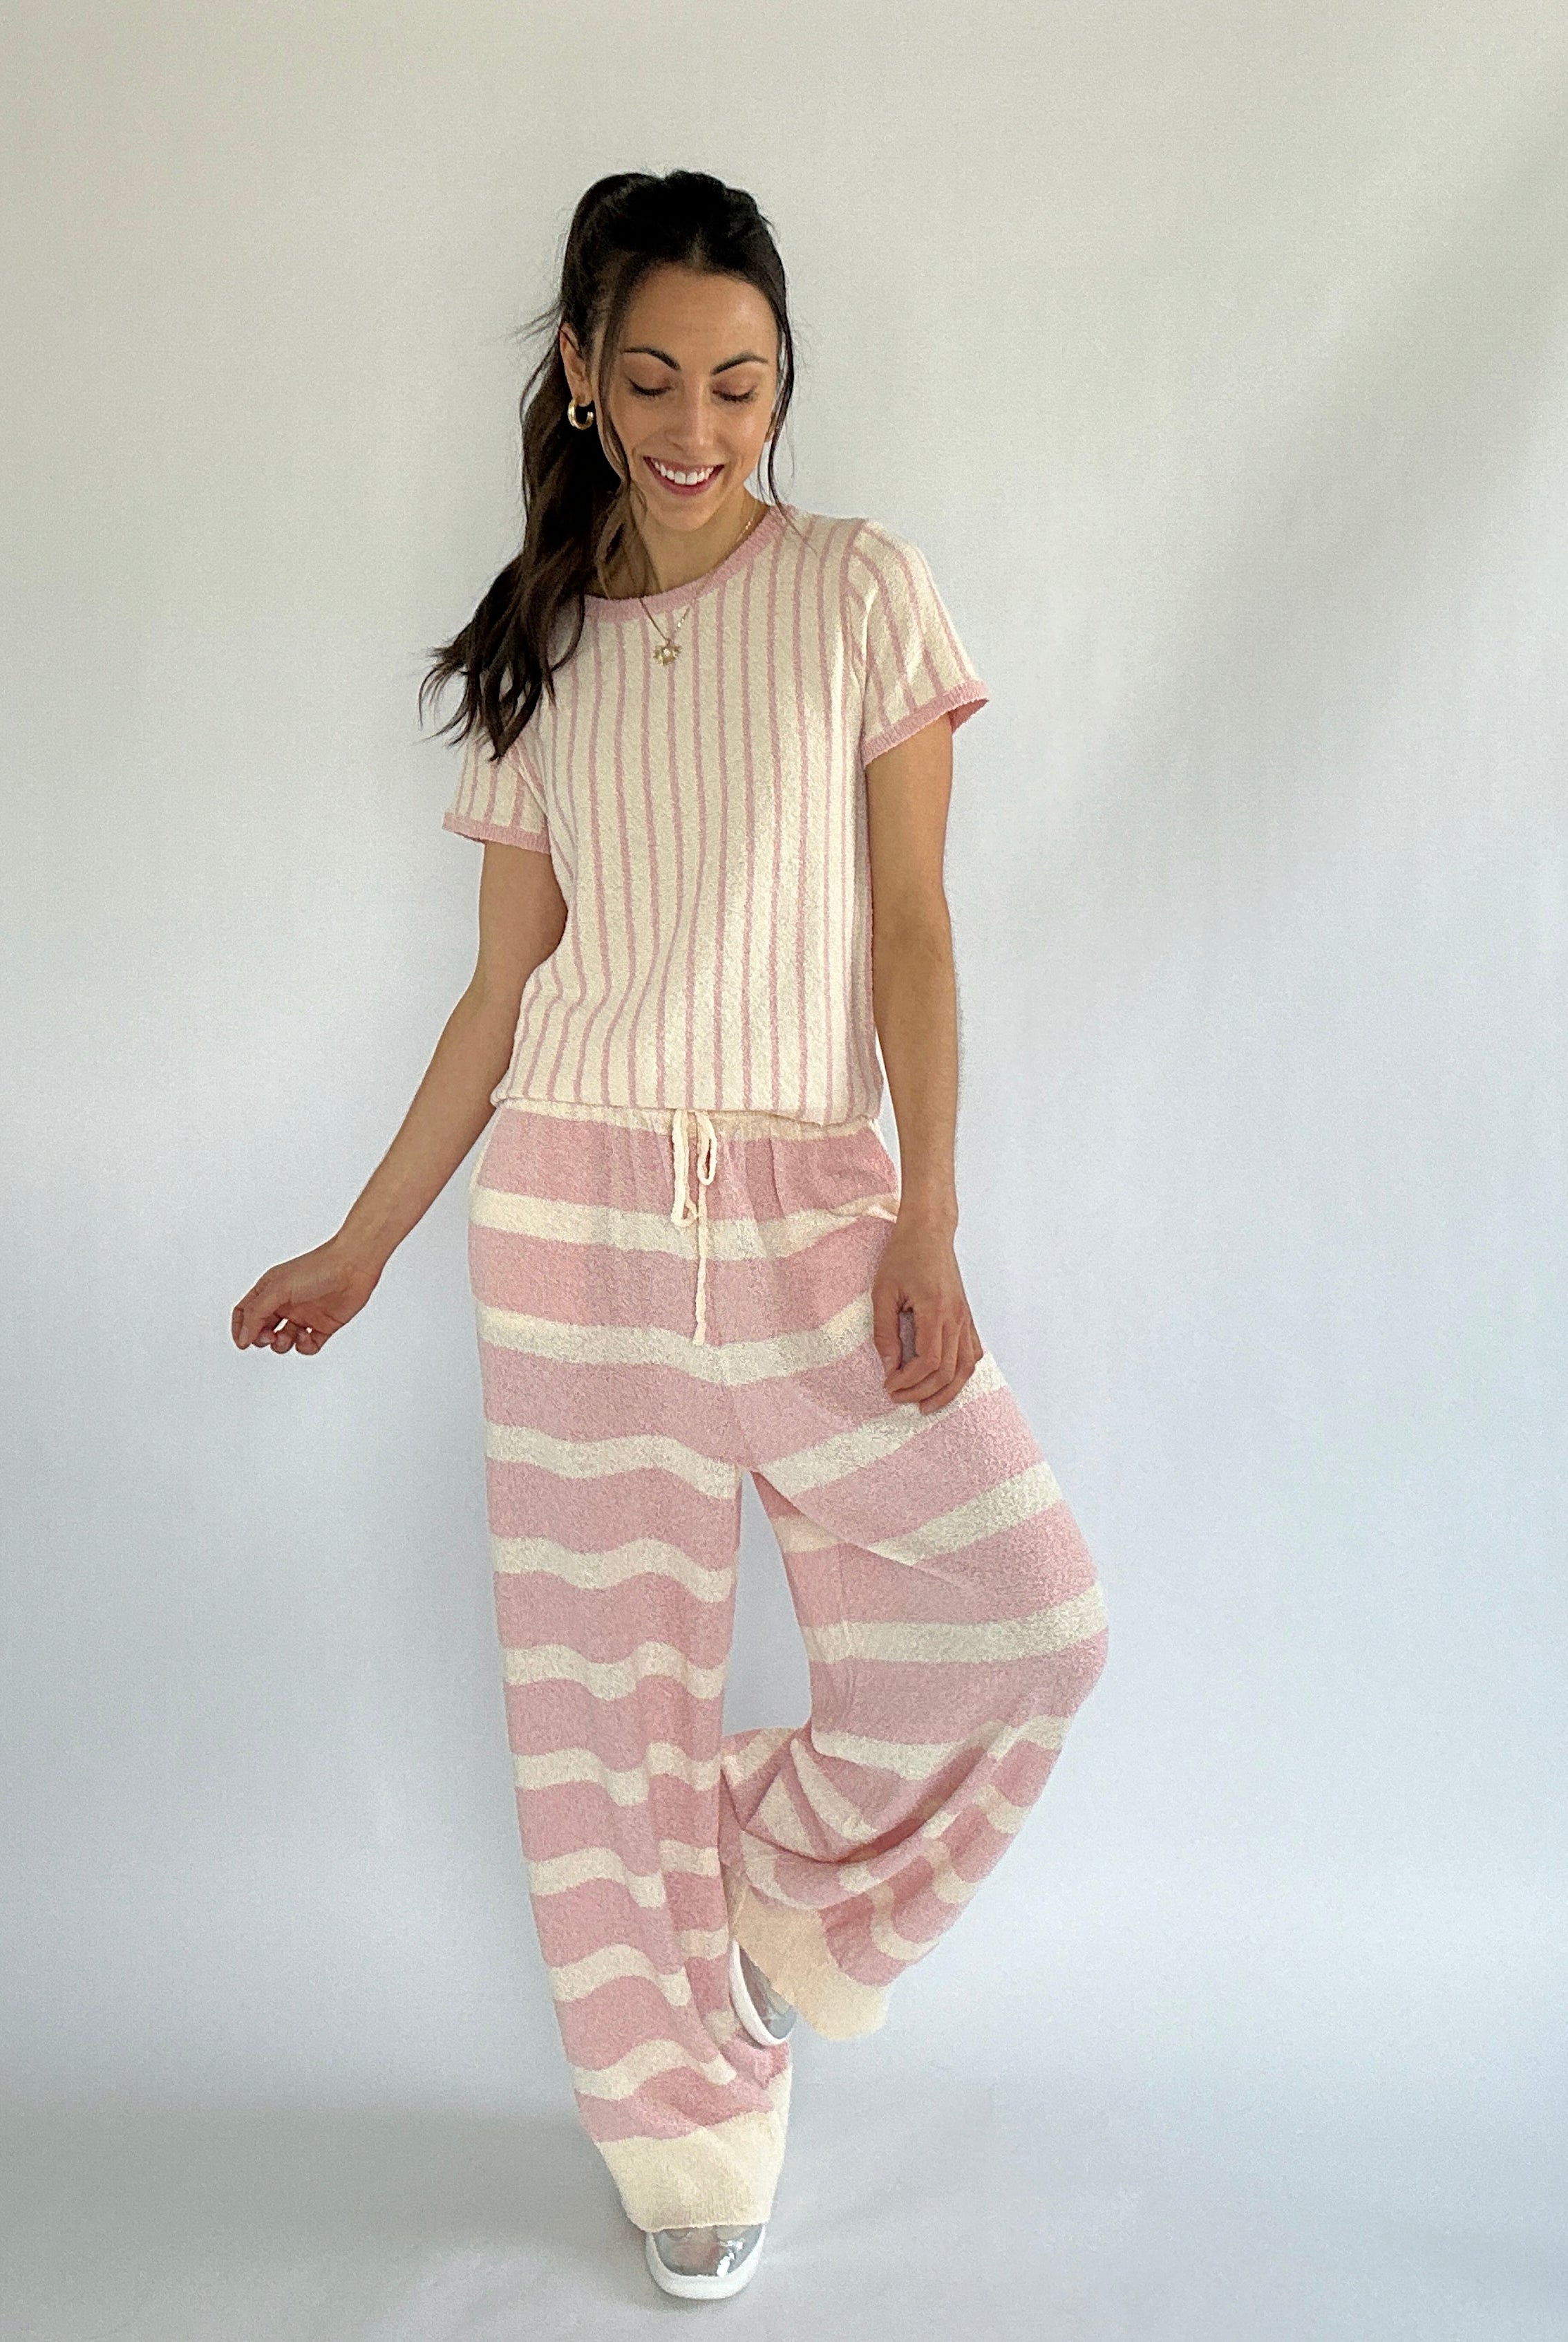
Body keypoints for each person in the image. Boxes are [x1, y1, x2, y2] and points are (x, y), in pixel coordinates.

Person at [231, 167, 1110, 2305]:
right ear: (582, 377)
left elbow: (911, 928)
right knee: (595, 1708)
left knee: (1026, 1617)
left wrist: (932, 1207)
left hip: (817, 1205)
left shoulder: (861, 593)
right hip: (578, 1227)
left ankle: (779, 1901)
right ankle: (682, 2120)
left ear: (784, 381)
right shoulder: (543, 656)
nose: (701, 423)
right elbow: (497, 998)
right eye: (656, 380)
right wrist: (362, 1242)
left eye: (742, 381)